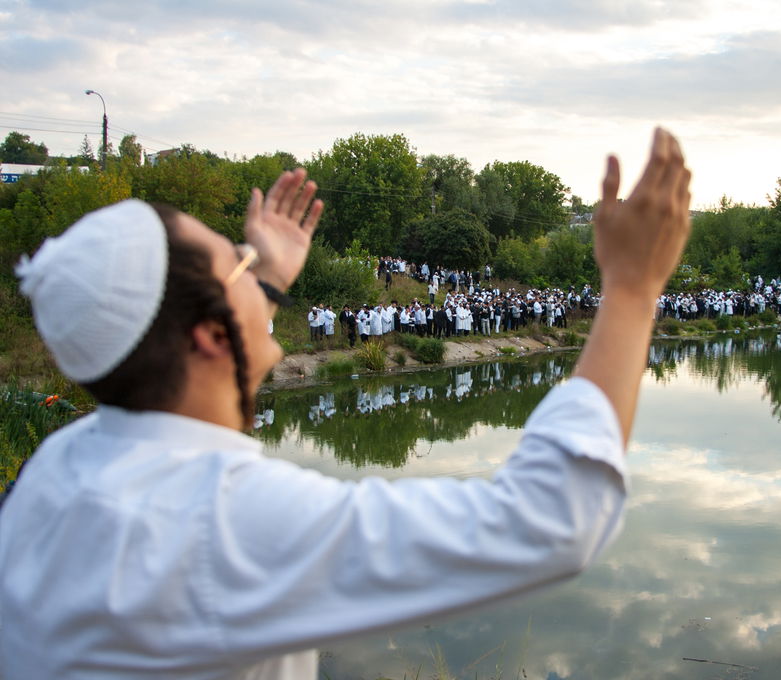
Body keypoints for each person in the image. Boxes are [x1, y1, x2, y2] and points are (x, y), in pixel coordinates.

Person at [1, 129, 691, 679]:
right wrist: (632, 289)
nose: (253, 257)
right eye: (238, 259)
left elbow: (202, 381)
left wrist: (264, 280)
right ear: (211, 335)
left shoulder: (58, 467)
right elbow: (551, 520)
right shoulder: (222, 521)